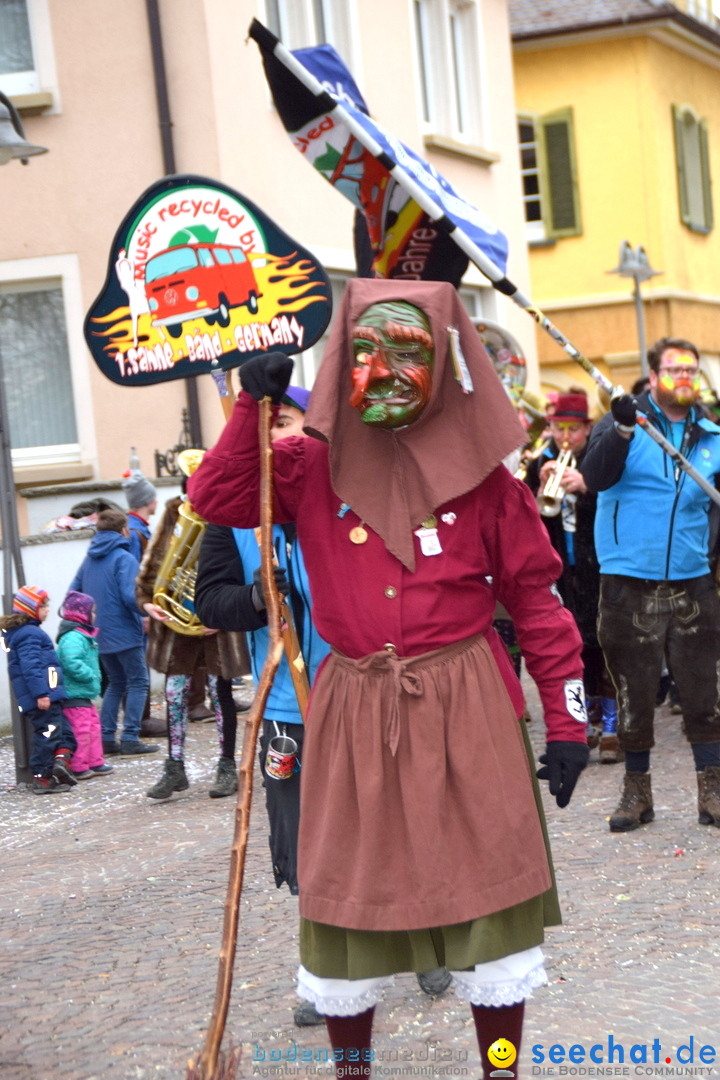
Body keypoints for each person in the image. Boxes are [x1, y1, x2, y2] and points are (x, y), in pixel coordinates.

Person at [188, 279, 589, 1080]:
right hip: (352, 709)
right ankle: (353, 1073)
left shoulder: (487, 483)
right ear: (341, 366)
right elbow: (218, 494)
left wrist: (570, 722)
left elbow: (539, 607)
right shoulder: (305, 465)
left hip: (468, 704)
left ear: (443, 365)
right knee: (349, 904)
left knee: (490, 913)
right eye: (366, 352)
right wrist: (249, 408)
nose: (386, 369)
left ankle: (500, 1068)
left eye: (409, 351)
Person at [581, 336, 720, 832]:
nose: (684, 377)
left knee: (704, 693)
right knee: (634, 693)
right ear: (654, 375)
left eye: (692, 370)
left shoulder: (711, 436)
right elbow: (594, 477)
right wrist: (618, 430)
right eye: (674, 369)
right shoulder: (624, 422)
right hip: (627, 582)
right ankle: (636, 793)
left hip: (693, 581)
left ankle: (712, 790)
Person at [137, 482, 248, 801]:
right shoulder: (175, 513)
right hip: (177, 624)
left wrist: (227, 609)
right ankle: (174, 767)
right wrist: (147, 602)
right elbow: (153, 566)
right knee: (173, 694)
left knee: (219, 693)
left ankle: (227, 766)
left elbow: (243, 567)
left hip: (218, 624)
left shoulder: (229, 513)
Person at [525, 392, 620, 763]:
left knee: (605, 645)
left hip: (598, 565)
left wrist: (586, 488)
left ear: (586, 429)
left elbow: (616, 507)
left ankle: (612, 726)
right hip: (561, 570)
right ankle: (592, 718)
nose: (565, 436)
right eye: (558, 428)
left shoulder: (598, 464)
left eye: (573, 429)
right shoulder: (538, 462)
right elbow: (529, 521)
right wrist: (537, 488)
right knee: (575, 646)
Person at [69, 509, 158, 756]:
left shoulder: (89, 559)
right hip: (125, 632)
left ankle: (107, 737)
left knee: (115, 683)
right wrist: (146, 610)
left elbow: (74, 594)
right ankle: (130, 736)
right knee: (139, 681)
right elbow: (130, 597)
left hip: (98, 634)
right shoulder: (124, 558)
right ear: (124, 531)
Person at [1, 586, 78, 794]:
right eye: (43, 606)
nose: (48, 609)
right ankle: (42, 778)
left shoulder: (29, 632)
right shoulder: (29, 634)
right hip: (42, 697)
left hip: (49, 695)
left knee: (65, 734)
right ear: (30, 609)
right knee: (48, 734)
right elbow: (31, 667)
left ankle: (61, 765)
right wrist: (41, 694)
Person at [55, 590, 113, 779]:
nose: (95, 615)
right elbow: (70, 661)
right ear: (82, 614)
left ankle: (95, 761)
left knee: (93, 727)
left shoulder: (83, 635)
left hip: (84, 693)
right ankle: (79, 765)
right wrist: (90, 675)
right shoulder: (73, 637)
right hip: (74, 693)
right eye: (93, 611)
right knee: (81, 730)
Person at [122, 463, 158, 563]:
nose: (156, 501)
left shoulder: (134, 526)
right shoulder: (134, 533)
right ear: (147, 501)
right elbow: (133, 572)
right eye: (153, 497)